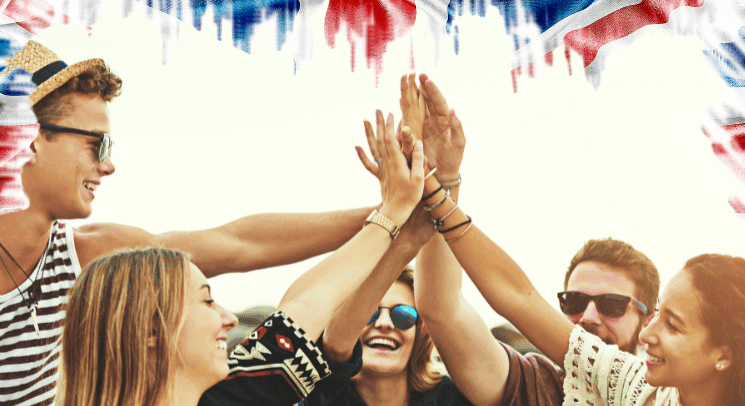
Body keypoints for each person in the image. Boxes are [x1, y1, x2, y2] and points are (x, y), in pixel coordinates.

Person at [0, 40, 377, 406]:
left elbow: (238, 244)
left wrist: (388, 212)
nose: (108, 165)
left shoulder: (88, 255)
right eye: (96, 144)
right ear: (27, 139)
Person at [404, 76, 744, 405]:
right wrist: (440, 182)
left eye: (612, 305)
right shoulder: (626, 387)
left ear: (723, 355)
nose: (589, 318)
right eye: (573, 302)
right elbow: (511, 296)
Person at [61, 108, 427, 406]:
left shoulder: (230, 397)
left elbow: (304, 308)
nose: (228, 317)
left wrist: (395, 218)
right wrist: (391, 214)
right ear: (152, 330)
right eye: (206, 301)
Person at [299, 74, 473, 406]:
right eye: (367, 313)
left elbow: (445, 305)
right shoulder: (320, 395)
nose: (382, 323)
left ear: (420, 332)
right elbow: (336, 343)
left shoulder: (452, 398)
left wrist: (441, 179)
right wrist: (399, 207)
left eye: (403, 315)